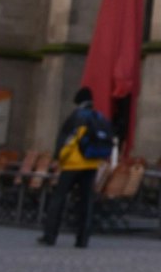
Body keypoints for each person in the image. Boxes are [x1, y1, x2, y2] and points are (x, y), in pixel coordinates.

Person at [40, 86, 111, 249]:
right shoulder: (99, 117)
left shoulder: (76, 116)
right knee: (86, 202)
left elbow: (66, 140)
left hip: (73, 164)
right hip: (92, 164)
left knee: (59, 198)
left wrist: (59, 158)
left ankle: (50, 235)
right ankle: (82, 239)